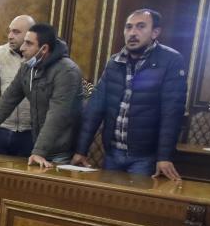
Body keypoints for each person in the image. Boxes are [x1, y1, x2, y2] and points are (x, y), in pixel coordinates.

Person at [73, 9, 188, 180]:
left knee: (134, 203)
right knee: (107, 201)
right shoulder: (115, 62)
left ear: (155, 32)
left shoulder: (171, 60)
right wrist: (81, 151)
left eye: (141, 27)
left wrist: (164, 156)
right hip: (112, 153)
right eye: (128, 27)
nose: (133, 33)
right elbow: (95, 109)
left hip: (145, 157)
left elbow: (172, 113)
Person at [0, 23, 82, 167]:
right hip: (38, 147)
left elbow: (57, 115)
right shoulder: (28, 67)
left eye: (28, 44)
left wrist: (39, 151)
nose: (22, 48)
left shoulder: (67, 71)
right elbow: (7, 100)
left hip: (60, 151)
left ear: (44, 48)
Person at [0, 15, 35, 156]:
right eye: (10, 31)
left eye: (16, 32)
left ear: (30, 34)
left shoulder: (39, 59)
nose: (10, 36)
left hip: (29, 132)